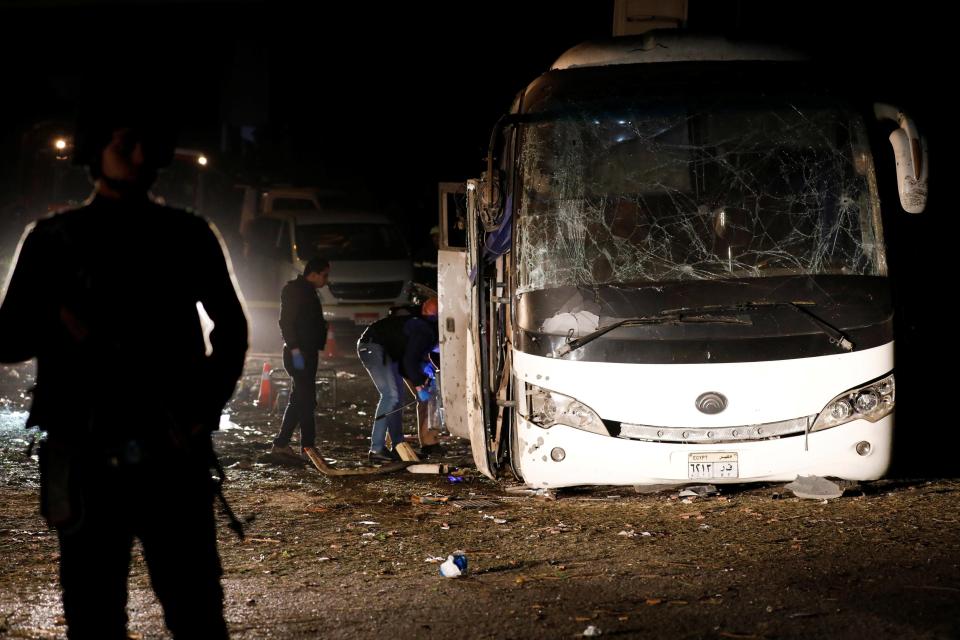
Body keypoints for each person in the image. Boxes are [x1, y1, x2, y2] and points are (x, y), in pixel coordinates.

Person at [0, 100, 248, 639]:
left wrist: (200, 411)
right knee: (93, 613)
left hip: (171, 450)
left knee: (197, 610)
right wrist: (55, 313)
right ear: (94, 154)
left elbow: (232, 330)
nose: (140, 156)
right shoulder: (53, 240)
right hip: (85, 453)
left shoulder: (186, 234)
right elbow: (9, 339)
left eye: (146, 144)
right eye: (124, 144)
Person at [356, 297, 441, 463]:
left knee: (397, 399)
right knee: (390, 396)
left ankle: (397, 446)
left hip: (384, 350)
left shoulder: (421, 326)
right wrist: (419, 387)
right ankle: (376, 449)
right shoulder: (425, 332)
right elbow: (409, 361)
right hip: (373, 346)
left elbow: (406, 363)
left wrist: (422, 373)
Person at [271, 256, 330, 458]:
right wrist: (295, 349)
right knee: (305, 400)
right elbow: (286, 322)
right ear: (313, 274)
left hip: (305, 352)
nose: (326, 280)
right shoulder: (296, 291)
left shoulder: (307, 291)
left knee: (300, 399)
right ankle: (307, 447)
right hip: (299, 353)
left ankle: (282, 444)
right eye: (324, 275)